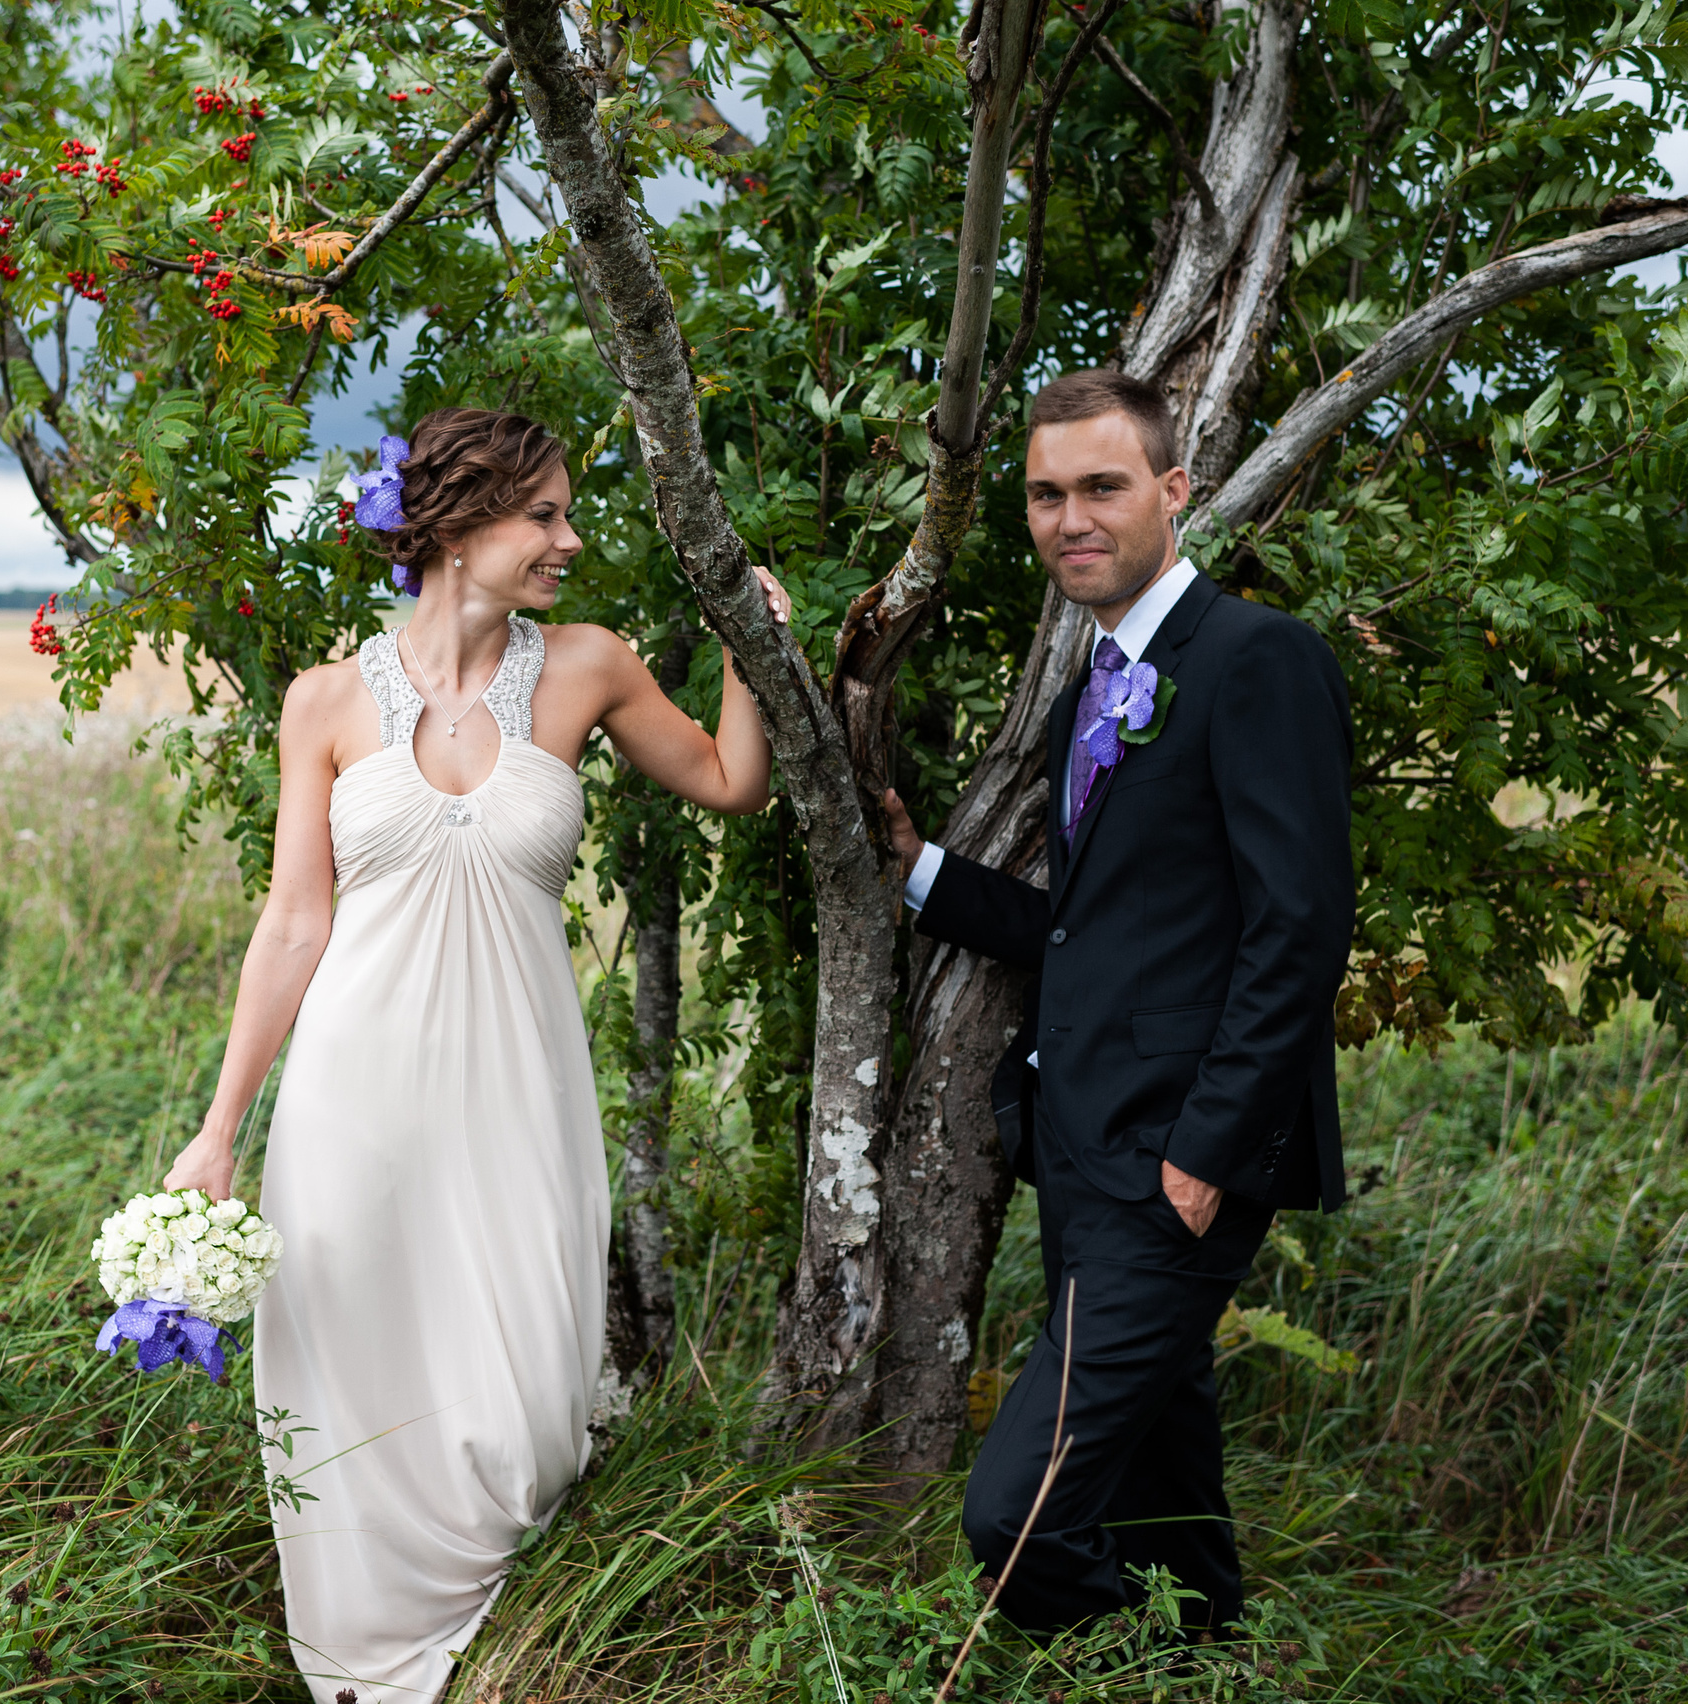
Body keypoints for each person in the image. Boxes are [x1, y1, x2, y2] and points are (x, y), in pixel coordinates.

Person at [161, 407, 791, 1702]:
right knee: (352, 1380)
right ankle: (366, 1675)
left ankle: (503, 1643)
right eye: (543, 515)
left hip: (519, 1094)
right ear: (454, 527)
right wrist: (220, 1131)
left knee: (523, 1405)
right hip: (355, 1096)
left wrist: (751, 644)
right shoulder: (327, 701)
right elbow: (293, 921)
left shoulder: (588, 669)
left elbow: (733, 782)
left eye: (566, 513)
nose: (569, 538)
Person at [879, 368, 1353, 1638]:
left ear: (1173, 491)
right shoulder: (1094, 679)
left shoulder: (1255, 659)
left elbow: (1298, 929)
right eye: (1045, 495)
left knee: (1015, 1514)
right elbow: (1099, 931)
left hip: (1172, 1158)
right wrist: (918, 869)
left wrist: (1205, 1154)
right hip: (1082, 1143)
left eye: (1100, 486)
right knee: (1159, 1478)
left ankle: (1101, 1665)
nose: (1068, 518)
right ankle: (1202, 1662)